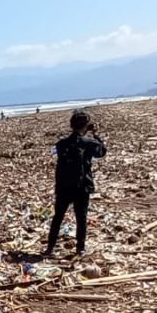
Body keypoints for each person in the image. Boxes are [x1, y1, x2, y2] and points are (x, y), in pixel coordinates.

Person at [46, 109, 106, 257]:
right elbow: (102, 152)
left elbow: (54, 154)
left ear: (71, 125)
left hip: (63, 186)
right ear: (86, 126)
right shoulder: (89, 143)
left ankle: (50, 247)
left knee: (58, 217)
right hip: (82, 185)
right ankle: (80, 248)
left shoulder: (61, 144)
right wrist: (96, 135)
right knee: (81, 217)